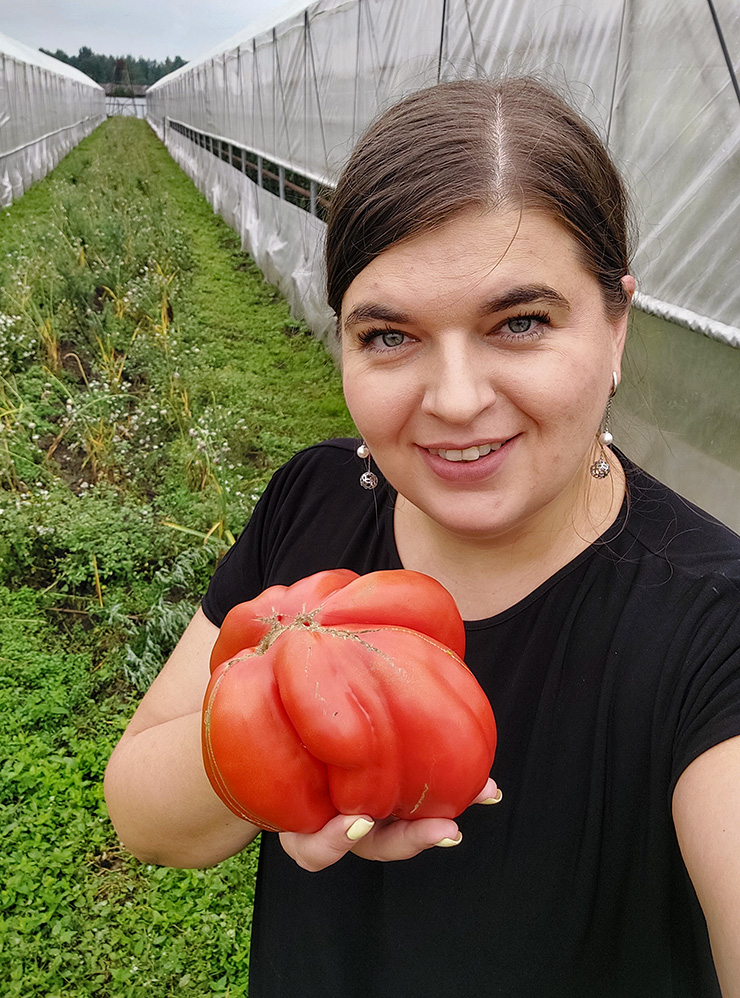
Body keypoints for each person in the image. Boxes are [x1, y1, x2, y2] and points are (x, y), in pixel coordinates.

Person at [104, 77, 740, 997]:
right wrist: (285, 722)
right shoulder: (313, 501)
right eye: (390, 336)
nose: (453, 401)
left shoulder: (711, 629)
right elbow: (143, 818)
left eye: (520, 323)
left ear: (616, 324)